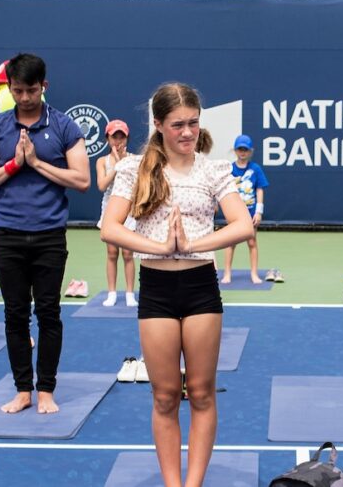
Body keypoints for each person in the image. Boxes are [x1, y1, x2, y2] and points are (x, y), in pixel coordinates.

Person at [99, 83, 254, 487]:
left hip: (201, 286)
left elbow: (241, 223)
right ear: (158, 124)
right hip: (156, 290)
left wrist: (191, 245)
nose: (187, 132)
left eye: (193, 123)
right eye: (178, 124)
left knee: (201, 394)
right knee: (165, 396)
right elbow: (109, 228)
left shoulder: (213, 169)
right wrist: (160, 247)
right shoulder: (134, 169)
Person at [0, 52, 89, 415]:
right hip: (8, 235)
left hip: (50, 235)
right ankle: (23, 389)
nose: (24, 98)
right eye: (17, 90)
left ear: (44, 87)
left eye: (31, 91)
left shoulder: (65, 126)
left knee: (49, 313)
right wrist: (14, 165)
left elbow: (82, 180)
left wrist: (37, 163)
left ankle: (46, 391)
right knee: (15, 314)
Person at [96, 119, 136, 307]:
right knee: (112, 253)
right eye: (114, 137)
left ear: (127, 138)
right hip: (109, 209)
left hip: (128, 210)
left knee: (128, 253)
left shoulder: (134, 159)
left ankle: (129, 294)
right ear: (107, 139)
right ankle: (112, 293)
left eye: (122, 137)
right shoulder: (102, 161)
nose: (118, 141)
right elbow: (102, 185)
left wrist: (123, 163)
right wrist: (117, 166)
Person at [221, 135, 268, 285]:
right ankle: (227, 273)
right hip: (234, 214)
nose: (242, 152)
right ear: (235, 150)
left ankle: (254, 273)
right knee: (230, 243)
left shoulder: (255, 169)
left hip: (251, 213)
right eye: (240, 149)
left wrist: (259, 211)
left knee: (252, 242)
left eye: (245, 150)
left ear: (250, 151)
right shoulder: (229, 169)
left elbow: (260, 189)